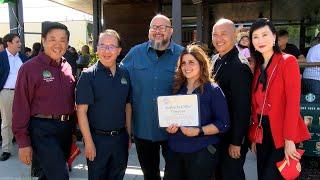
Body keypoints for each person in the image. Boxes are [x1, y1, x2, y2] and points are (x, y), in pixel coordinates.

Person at [121, 14, 184, 180]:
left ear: (171, 31)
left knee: (175, 174)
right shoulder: (135, 53)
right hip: (144, 128)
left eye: (162, 27)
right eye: (154, 27)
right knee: (150, 175)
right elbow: (119, 76)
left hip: (174, 129)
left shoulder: (182, 55)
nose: (158, 31)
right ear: (149, 31)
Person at [12, 22, 75, 179]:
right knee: (60, 175)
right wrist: (23, 143)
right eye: (52, 39)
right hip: (42, 130)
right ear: (43, 40)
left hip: (65, 129)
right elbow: (20, 106)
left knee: (45, 176)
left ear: (67, 44)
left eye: (62, 40)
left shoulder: (67, 67)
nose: (57, 44)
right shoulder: (29, 68)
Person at [249, 18, 310, 180]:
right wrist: (255, 136)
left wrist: (289, 140)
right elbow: (256, 105)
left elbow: (293, 103)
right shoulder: (258, 66)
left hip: (283, 132)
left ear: (274, 37)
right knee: (262, 174)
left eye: (264, 35)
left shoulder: (287, 61)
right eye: (255, 36)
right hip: (263, 132)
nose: (260, 40)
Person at [165, 44, 230, 180]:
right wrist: (169, 127)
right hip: (175, 151)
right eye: (183, 63)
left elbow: (223, 123)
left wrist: (198, 131)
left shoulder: (212, 90)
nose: (186, 66)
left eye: (191, 62)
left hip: (201, 152)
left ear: (201, 64)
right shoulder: (177, 89)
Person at [76, 29, 132, 180]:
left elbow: (127, 105)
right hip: (97, 140)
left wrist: (128, 135)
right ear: (97, 49)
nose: (107, 50)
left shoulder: (125, 73)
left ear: (119, 50)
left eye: (112, 46)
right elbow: (81, 112)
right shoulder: (88, 76)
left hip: (120, 139)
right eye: (103, 45)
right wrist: (88, 142)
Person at [211, 18, 253, 180]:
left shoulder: (239, 66)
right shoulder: (215, 59)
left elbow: (242, 109)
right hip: (217, 134)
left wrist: (237, 141)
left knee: (231, 175)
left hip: (231, 138)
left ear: (235, 35)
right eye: (215, 34)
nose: (218, 38)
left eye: (223, 34)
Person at [0, 33, 28, 161]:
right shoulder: (1, 57)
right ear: (9, 43)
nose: (20, 44)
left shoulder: (23, 57)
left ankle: (26, 145)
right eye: (17, 42)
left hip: (23, 93)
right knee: (7, 122)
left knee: (25, 119)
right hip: (7, 92)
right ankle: (6, 149)